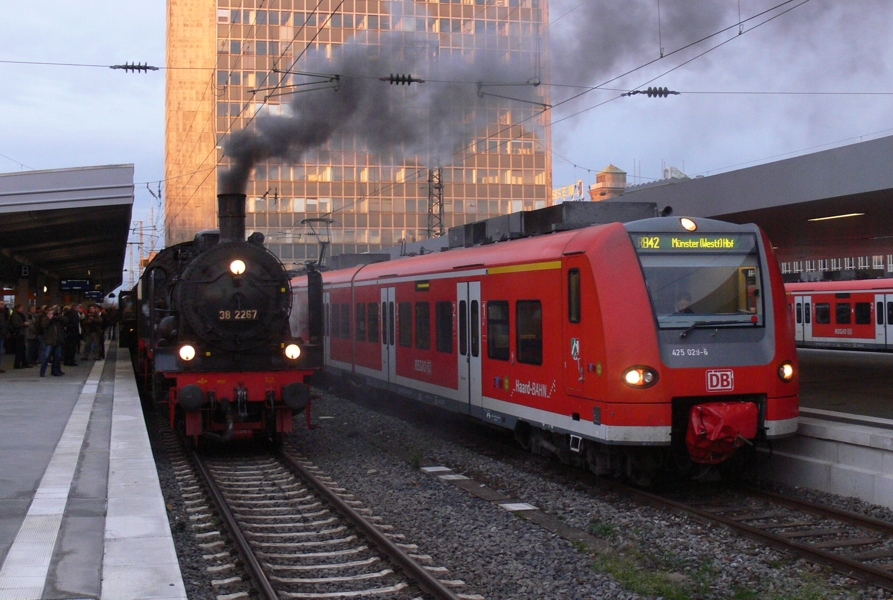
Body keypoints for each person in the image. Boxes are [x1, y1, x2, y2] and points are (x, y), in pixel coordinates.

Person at [40, 305, 66, 377]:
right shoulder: (45, 319)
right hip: (49, 341)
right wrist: (49, 318)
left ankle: (56, 371)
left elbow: (65, 321)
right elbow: (43, 326)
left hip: (58, 340)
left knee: (57, 357)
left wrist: (59, 316)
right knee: (46, 356)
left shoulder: (58, 320)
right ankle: (42, 372)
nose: (52, 314)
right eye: (51, 313)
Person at [0, 300, 8, 373]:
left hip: (2, 334)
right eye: (1, 304)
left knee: (0, 352)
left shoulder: (3, 313)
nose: (3, 305)